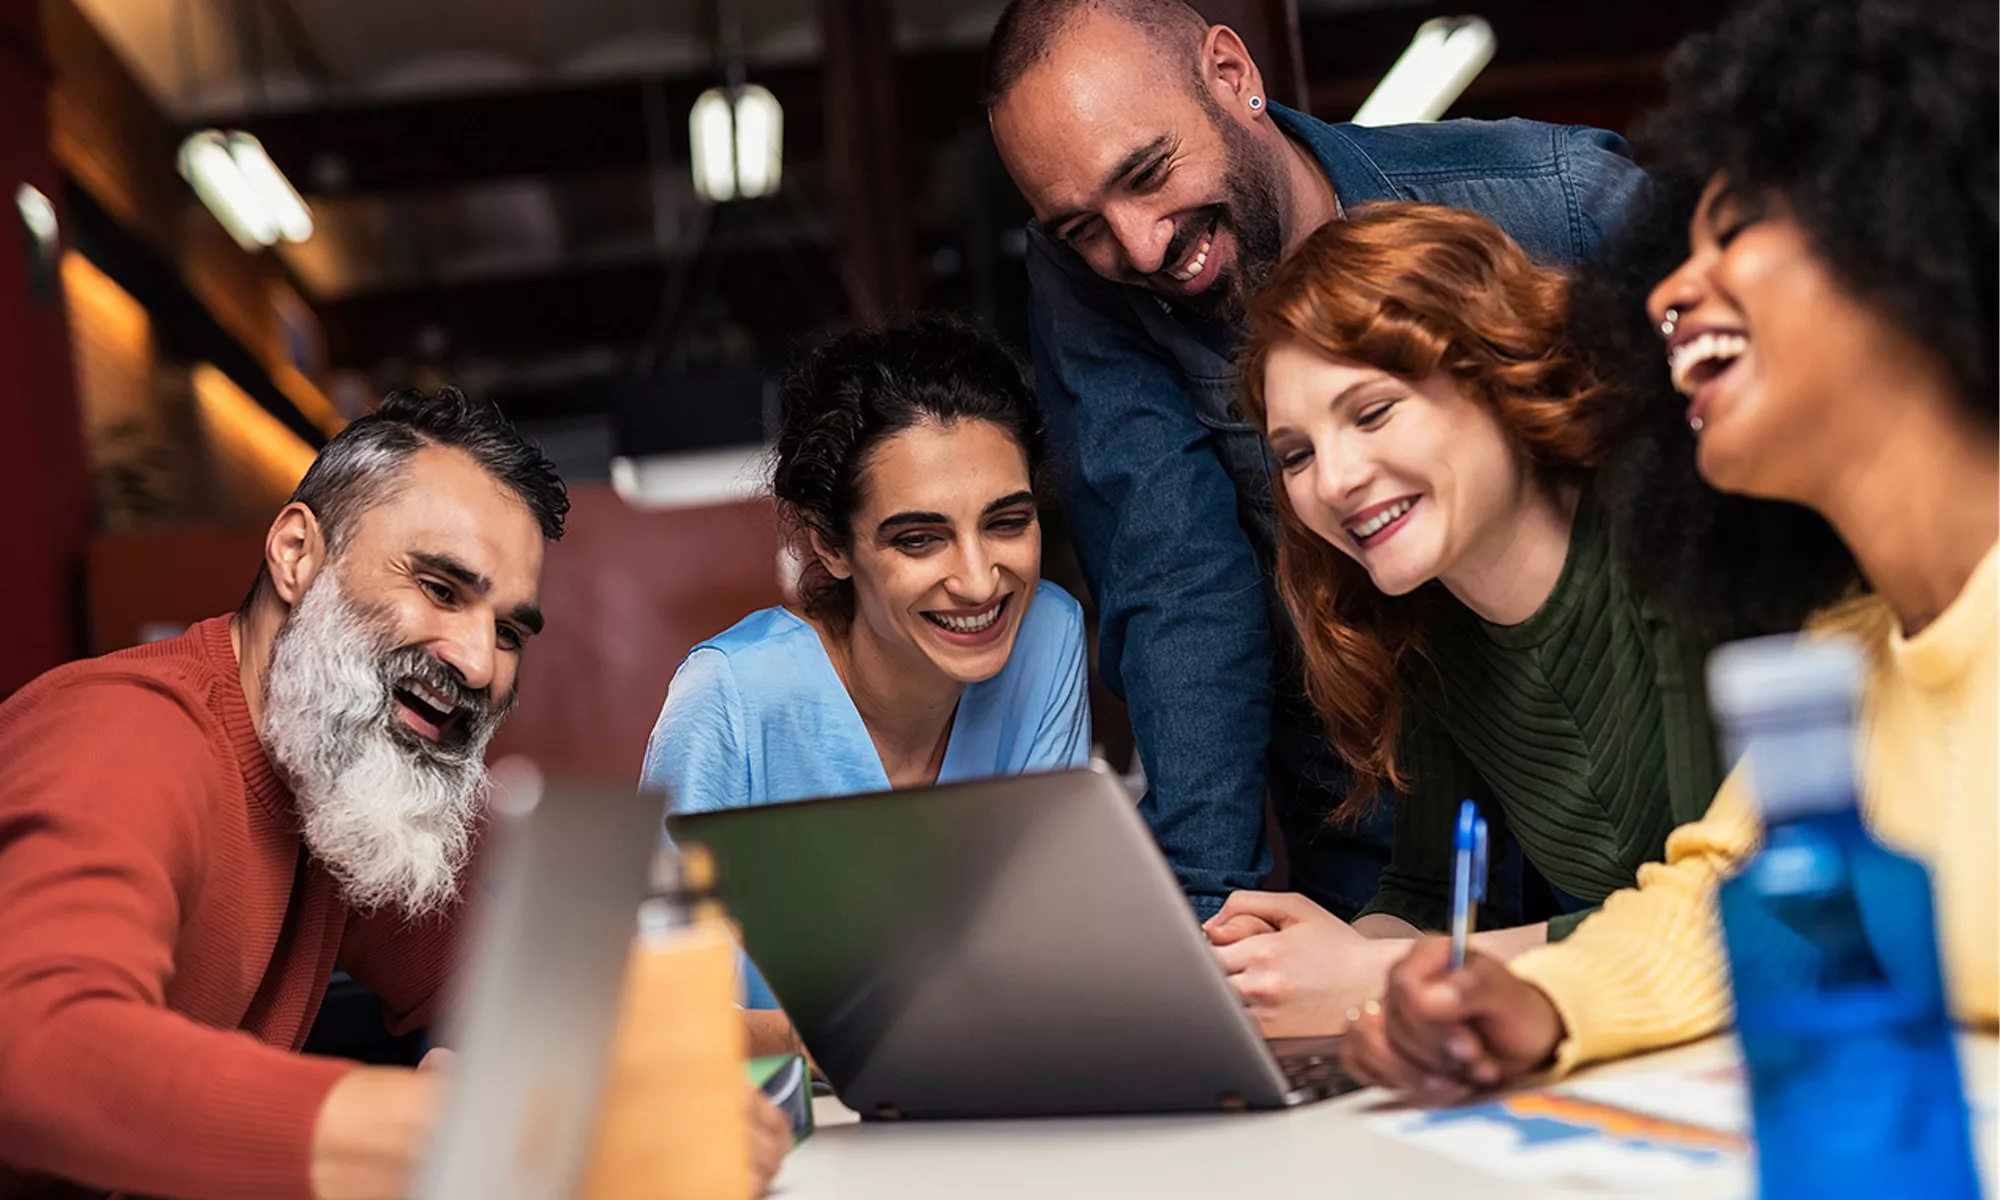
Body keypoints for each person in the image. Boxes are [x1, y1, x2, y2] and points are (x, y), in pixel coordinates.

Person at [1340, 0, 1998, 1097]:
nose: (1668, 292)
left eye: (1733, 228)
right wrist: (1542, 1003)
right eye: (1674, 247)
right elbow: (1714, 906)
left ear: (1914, 226)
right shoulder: (1847, 661)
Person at [0, 390, 790, 1199]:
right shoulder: (130, 735)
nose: (479, 663)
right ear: (298, 553)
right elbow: (34, 1045)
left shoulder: (341, 775)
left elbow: (517, 998)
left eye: (510, 630)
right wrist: (475, 1130)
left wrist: (764, 1062)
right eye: (441, 589)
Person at [983, 0, 1645, 922]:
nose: (1135, 245)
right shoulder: (1430, 643)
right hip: (1384, 828)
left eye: (1147, 172)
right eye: (1292, 451)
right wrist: (1221, 947)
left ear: (1232, 74)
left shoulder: (1563, 201)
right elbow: (1174, 585)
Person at [1199, 202, 1722, 1037]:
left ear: (1497, 367)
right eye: (1295, 453)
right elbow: (1426, 896)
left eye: (1371, 413)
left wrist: (1380, 973)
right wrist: (1300, 973)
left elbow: (1733, 912)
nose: (1331, 482)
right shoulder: (1427, 626)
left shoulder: (1664, 521)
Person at [642, 318, 1090, 1036]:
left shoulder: (1046, 635)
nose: (980, 582)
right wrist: (857, 1043)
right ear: (830, 544)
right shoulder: (729, 695)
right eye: (919, 539)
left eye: (1007, 523)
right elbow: (659, 1010)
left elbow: (1038, 941)